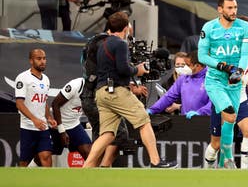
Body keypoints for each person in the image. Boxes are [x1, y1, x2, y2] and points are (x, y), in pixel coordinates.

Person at [82, 11, 176, 168]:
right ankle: (155, 161)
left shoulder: (101, 44)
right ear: (125, 28)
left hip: (101, 92)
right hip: (116, 92)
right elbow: (123, 69)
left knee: (107, 134)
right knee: (144, 121)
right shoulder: (120, 44)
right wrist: (137, 70)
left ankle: (87, 167)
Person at [198, 0, 248, 169]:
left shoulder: (244, 27)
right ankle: (228, 158)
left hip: (234, 82)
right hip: (215, 82)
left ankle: (222, 163)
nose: (234, 11)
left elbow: (244, 54)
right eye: (229, 8)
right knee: (228, 114)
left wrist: (239, 71)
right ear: (220, 9)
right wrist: (221, 66)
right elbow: (202, 56)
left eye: (235, 7)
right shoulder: (209, 27)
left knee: (231, 120)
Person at [14, 48, 57, 167]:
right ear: (31, 61)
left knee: (46, 156)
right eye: (39, 59)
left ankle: (49, 184)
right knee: (24, 162)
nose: (42, 61)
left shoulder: (46, 79)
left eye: (44, 58)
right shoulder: (23, 78)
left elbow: (43, 101)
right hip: (26, 128)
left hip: (43, 127)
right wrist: (34, 119)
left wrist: (49, 117)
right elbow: (19, 103)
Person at [147, 51, 210, 117]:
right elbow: (168, 96)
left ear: (197, 66)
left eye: (188, 65)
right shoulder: (183, 77)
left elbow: (214, 104)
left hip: (206, 121)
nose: (185, 67)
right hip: (186, 120)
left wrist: (200, 113)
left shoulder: (211, 79)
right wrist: (152, 110)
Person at [50, 77, 93, 161]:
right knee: (43, 158)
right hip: (56, 125)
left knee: (89, 154)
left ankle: (87, 174)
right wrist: (62, 131)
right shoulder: (76, 85)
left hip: (74, 125)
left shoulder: (100, 88)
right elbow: (55, 104)